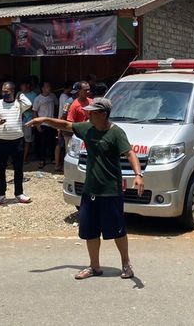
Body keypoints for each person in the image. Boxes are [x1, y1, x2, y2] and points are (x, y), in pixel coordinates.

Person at [26, 98, 144, 280]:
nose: (88, 114)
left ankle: (126, 264)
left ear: (103, 114)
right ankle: (94, 266)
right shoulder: (87, 128)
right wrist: (44, 120)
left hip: (111, 190)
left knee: (117, 230)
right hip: (90, 190)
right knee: (90, 229)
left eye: (93, 112)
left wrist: (138, 175)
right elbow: (66, 124)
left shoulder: (116, 133)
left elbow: (130, 153)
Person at [0, 82, 33, 206]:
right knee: (0, 169)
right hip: (1, 140)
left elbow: (29, 104)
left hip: (17, 141)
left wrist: (20, 96)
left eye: (7, 91)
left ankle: (19, 193)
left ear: (13, 91)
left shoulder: (19, 104)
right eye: (3, 91)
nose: (4, 93)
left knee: (18, 168)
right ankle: (0, 195)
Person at [32, 81, 59, 168]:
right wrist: (37, 125)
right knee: (42, 143)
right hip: (42, 124)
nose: (49, 88)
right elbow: (34, 111)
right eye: (47, 86)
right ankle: (42, 160)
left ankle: (52, 158)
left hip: (52, 123)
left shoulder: (52, 96)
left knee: (52, 142)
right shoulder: (38, 99)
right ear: (42, 88)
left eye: (49, 86)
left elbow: (56, 106)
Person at [54, 82, 75, 173]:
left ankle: (59, 165)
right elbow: (64, 114)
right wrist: (60, 125)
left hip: (64, 125)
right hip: (65, 126)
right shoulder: (68, 100)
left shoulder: (69, 99)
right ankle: (62, 166)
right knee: (66, 147)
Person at [20, 80, 39, 164]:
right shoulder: (19, 94)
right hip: (20, 120)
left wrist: (25, 109)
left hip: (29, 120)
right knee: (19, 140)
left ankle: (24, 158)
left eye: (23, 85)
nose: (21, 87)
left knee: (28, 140)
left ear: (27, 85)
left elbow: (35, 108)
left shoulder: (34, 95)